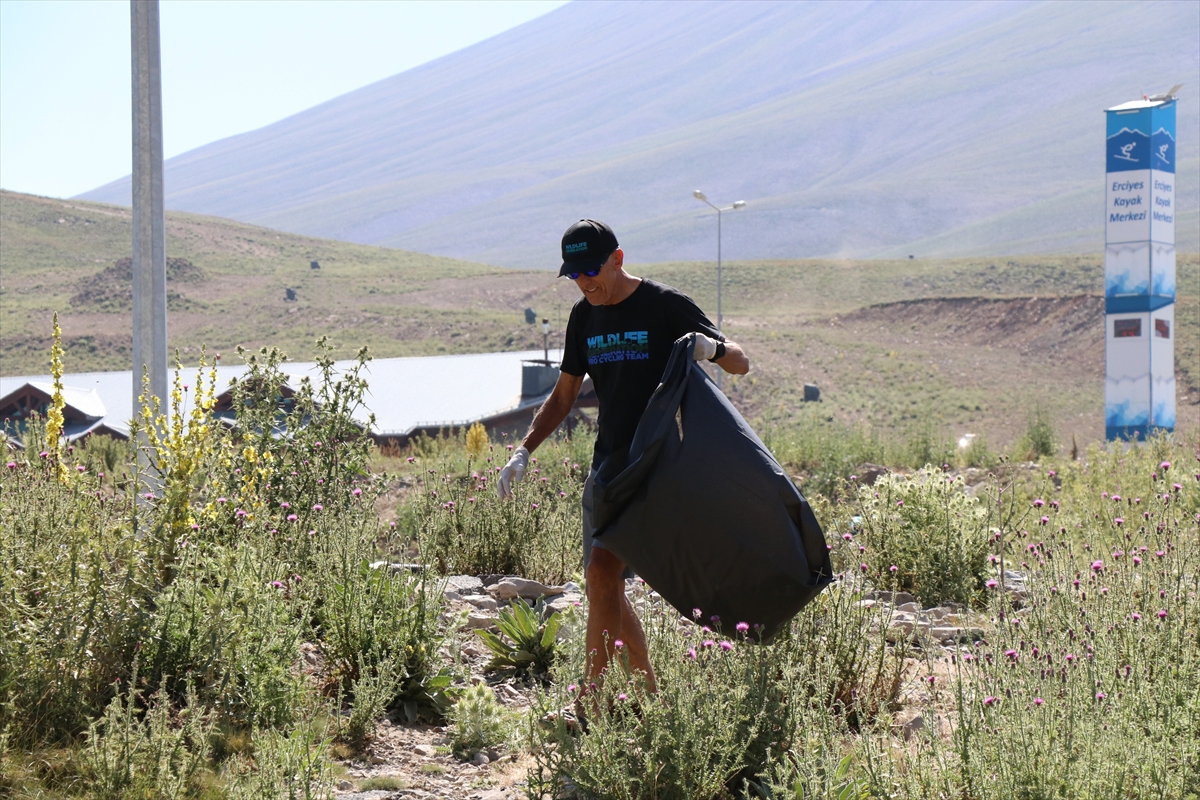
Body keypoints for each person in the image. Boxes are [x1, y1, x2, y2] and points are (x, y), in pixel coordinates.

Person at [497, 219, 749, 694]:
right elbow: (564, 394)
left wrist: (710, 347)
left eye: (591, 269)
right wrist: (523, 451)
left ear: (618, 258)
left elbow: (741, 360)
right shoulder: (584, 318)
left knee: (600, 571)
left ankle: (590, 699)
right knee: (602, 584)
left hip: (657, 465)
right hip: (608, 465)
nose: (585, 281)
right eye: (574, 274)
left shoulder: (663, 304)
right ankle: (648, 690)